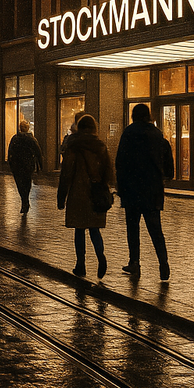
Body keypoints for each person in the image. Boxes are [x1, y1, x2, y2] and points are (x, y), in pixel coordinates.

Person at [114, 103, 175, 280]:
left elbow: (120, 162)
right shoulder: (157, 135)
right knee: (155, 229)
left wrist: (121, 186)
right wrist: (163, 176)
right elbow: (168, 162)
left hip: (132, 189)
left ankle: (134, 262)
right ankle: (163, 262)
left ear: (133, 116)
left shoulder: (129, 133)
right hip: (152, 189)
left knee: (133, 228)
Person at [57, 114, 114, 278]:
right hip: (96, 195)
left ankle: (80, 264)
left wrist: (61, 197)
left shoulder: (74, 146)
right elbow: (109, 173)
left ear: (79, 128)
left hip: (78, 194)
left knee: (80, 230)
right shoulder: (101, 147)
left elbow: (66, 174)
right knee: (95, 229)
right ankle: (100, 257)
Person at [7, 121, 43, 214]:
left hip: (17, 165)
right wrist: (40, 165)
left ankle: (24, 200)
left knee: (20, 184)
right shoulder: (31, 139)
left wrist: (11, 163)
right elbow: (38, 152)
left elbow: (10, 151)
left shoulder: (15, 138)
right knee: (27, 183)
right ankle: (25, 199)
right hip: (28, 165)